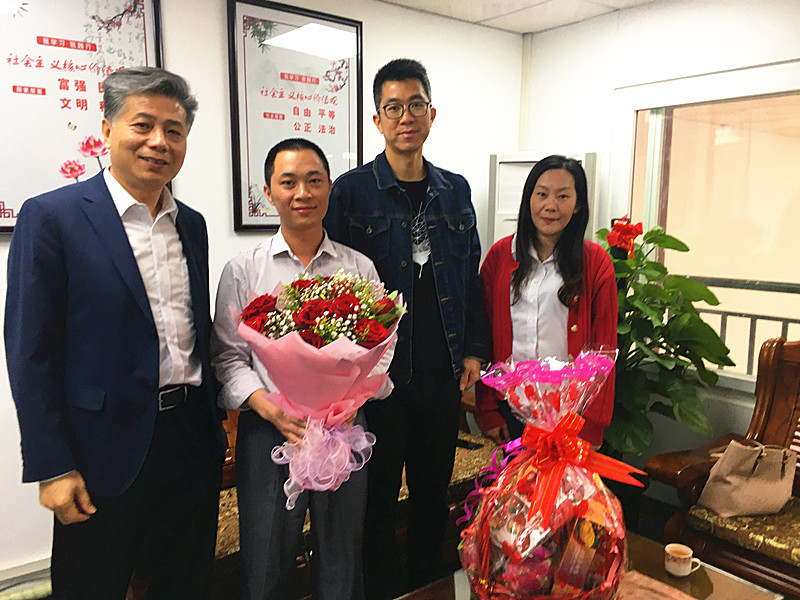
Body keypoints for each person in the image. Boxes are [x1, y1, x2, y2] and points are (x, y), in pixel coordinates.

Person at [4, 66, 225, 599]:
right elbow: (30, 351)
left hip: (189, 442)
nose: (159, 142)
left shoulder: (191, 224)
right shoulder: (53, 217)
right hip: (100, 450)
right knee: (92, 587)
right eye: (142, 125)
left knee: (185, 585)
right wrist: (52, 466)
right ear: (107, 130)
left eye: (174, 130)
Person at [323, 58, 489, 598]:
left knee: (430, 496)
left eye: (416, 105)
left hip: (441, 375)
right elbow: (331, 284)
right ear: (377, 120)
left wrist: (473, 350)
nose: (405, 117)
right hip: (379, 381)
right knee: (374, 500)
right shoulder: (351, 192)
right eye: (393, 107)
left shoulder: (456, 190)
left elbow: (470, 273)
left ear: (431, 114)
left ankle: (425, 588)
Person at [211, 138, 391, 600]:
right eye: (288, 182)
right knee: (266, 557)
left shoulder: (359, 267)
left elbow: (384, 346)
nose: (302, 193)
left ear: (330, 188)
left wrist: (351, 401)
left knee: (342, 556)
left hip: (344, 428)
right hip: (270, 430)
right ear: (268, 192)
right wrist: (269, 408)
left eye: (314, 181)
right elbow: (228, 356)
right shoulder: (243, 270)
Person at [474, 155, 618, 447]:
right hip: (510, 409)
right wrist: (487, 409)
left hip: (571, 415)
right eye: (542, 194)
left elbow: (604, 348)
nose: (550, 205)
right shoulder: (500, 257)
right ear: (529, 199)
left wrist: (591, 426)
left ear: (577, 205)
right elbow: (483, 334)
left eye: (563, 196)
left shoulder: (595, 263)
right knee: (513, 478)